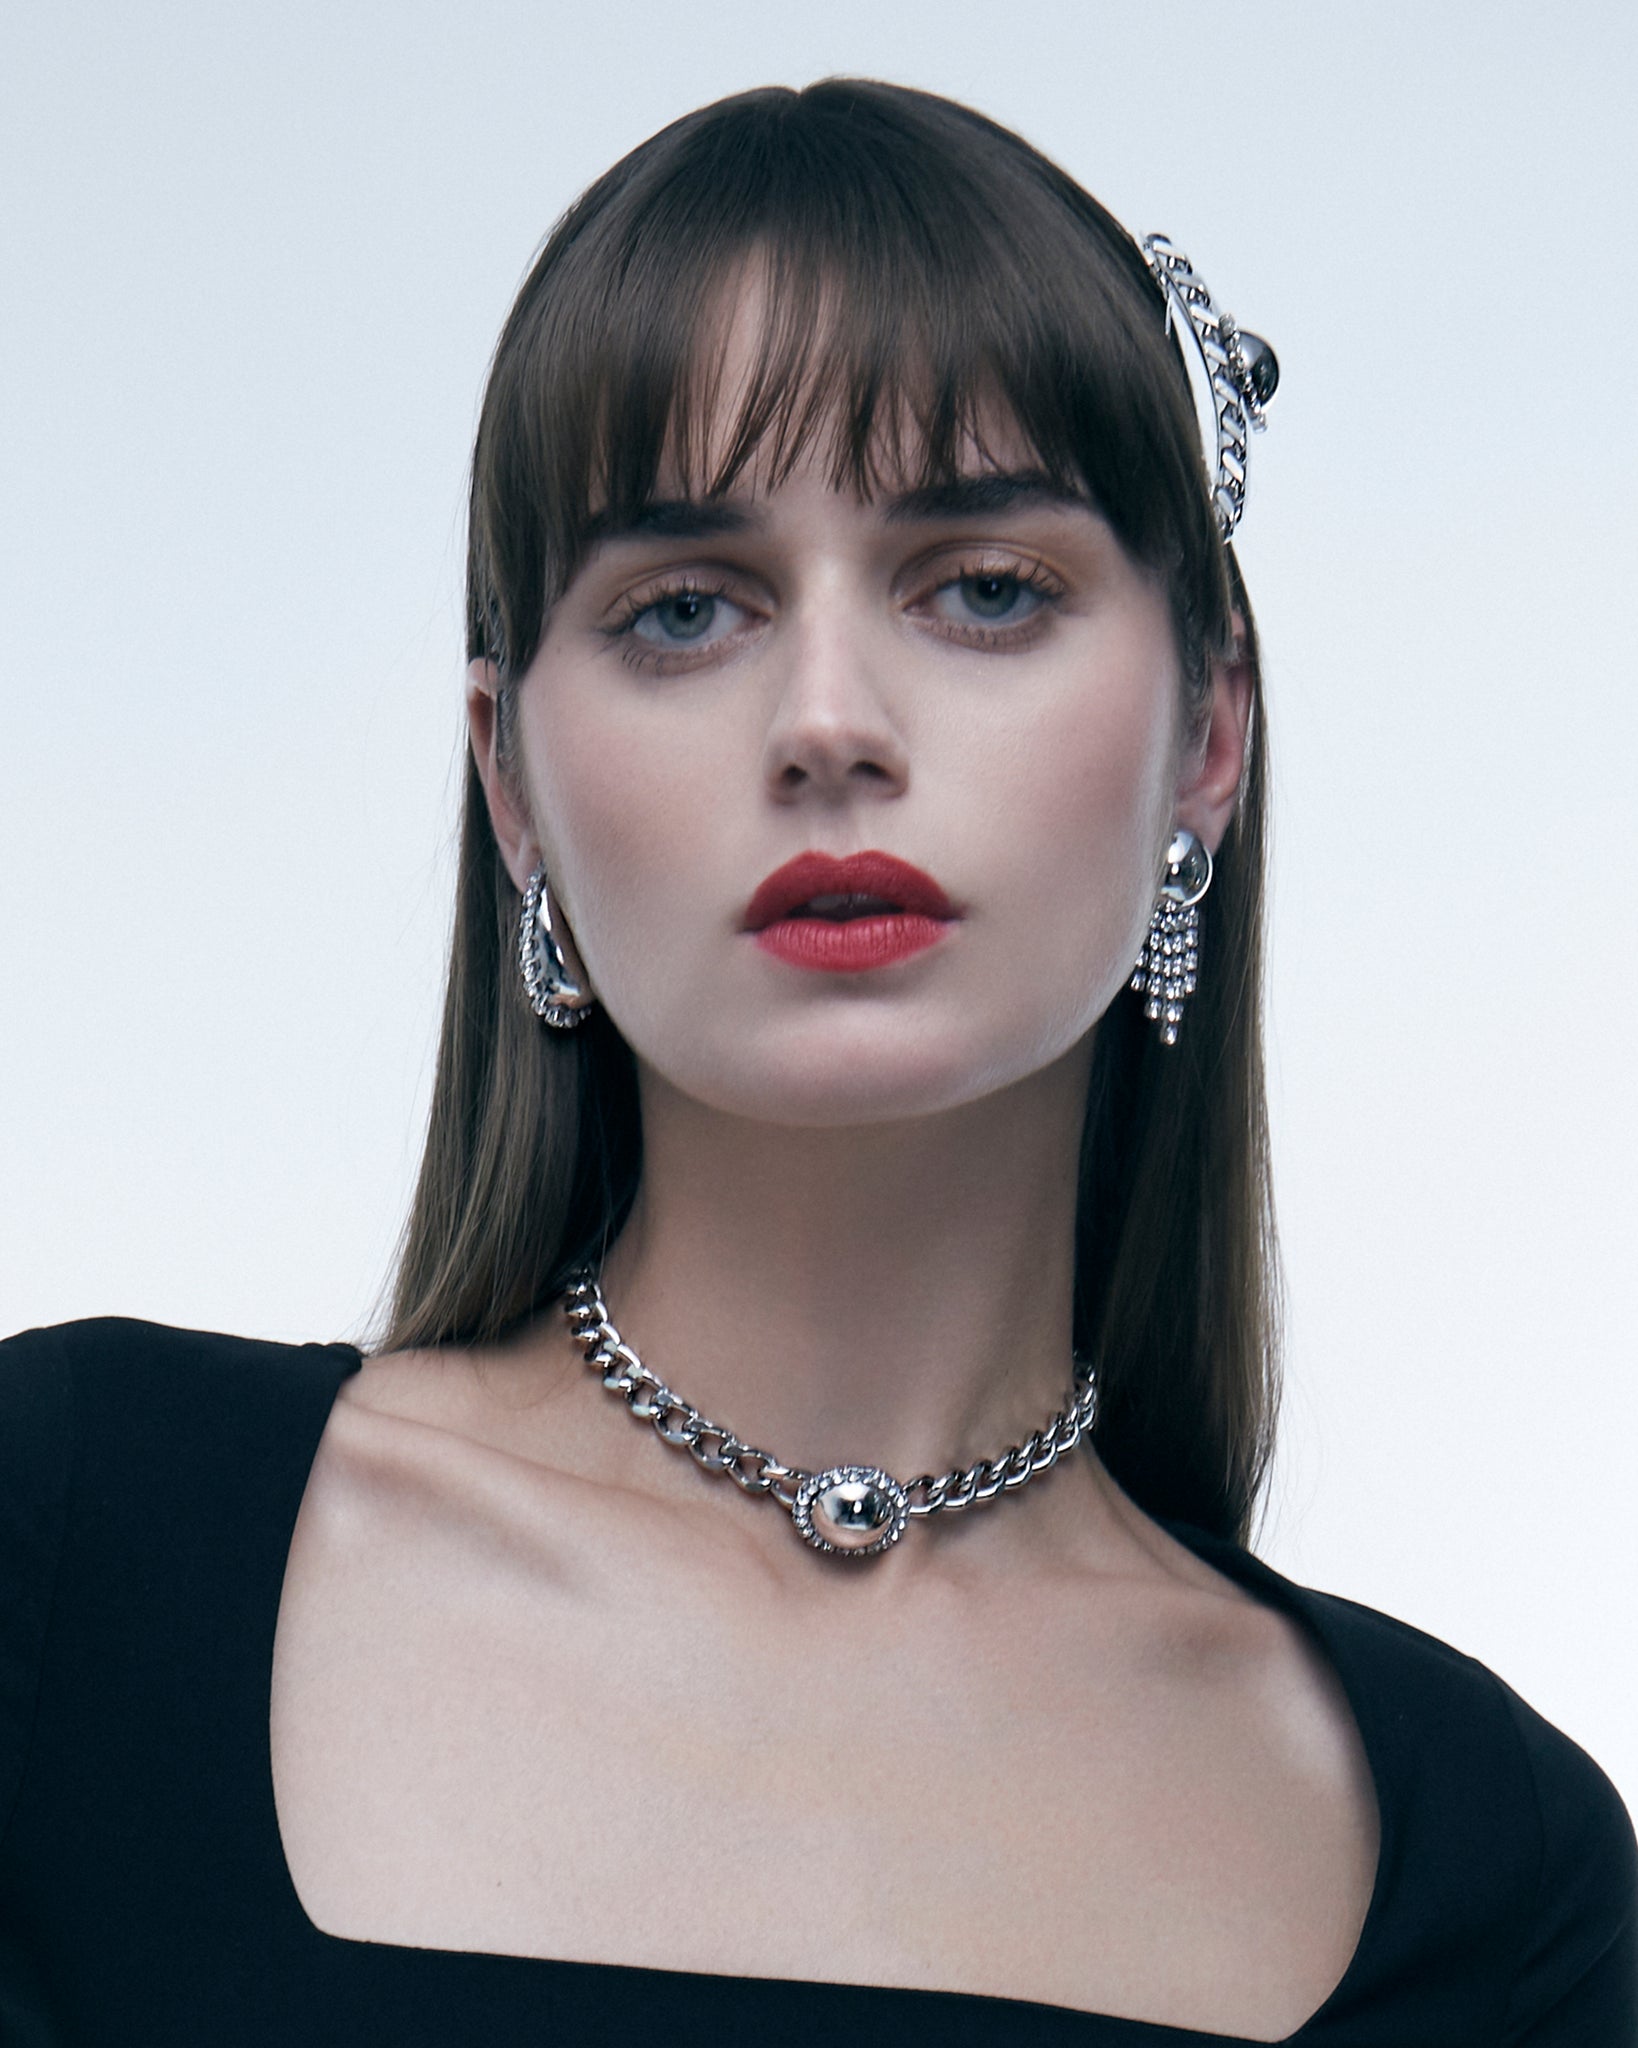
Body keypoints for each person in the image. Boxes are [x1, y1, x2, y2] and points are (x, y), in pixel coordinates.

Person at [1, 78, 1632, 2047]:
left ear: (1209, 728)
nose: (829, 721)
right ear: (510, 784)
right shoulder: (72, 1548)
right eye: (687, 610)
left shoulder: (1488, 1869)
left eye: (985, 589)